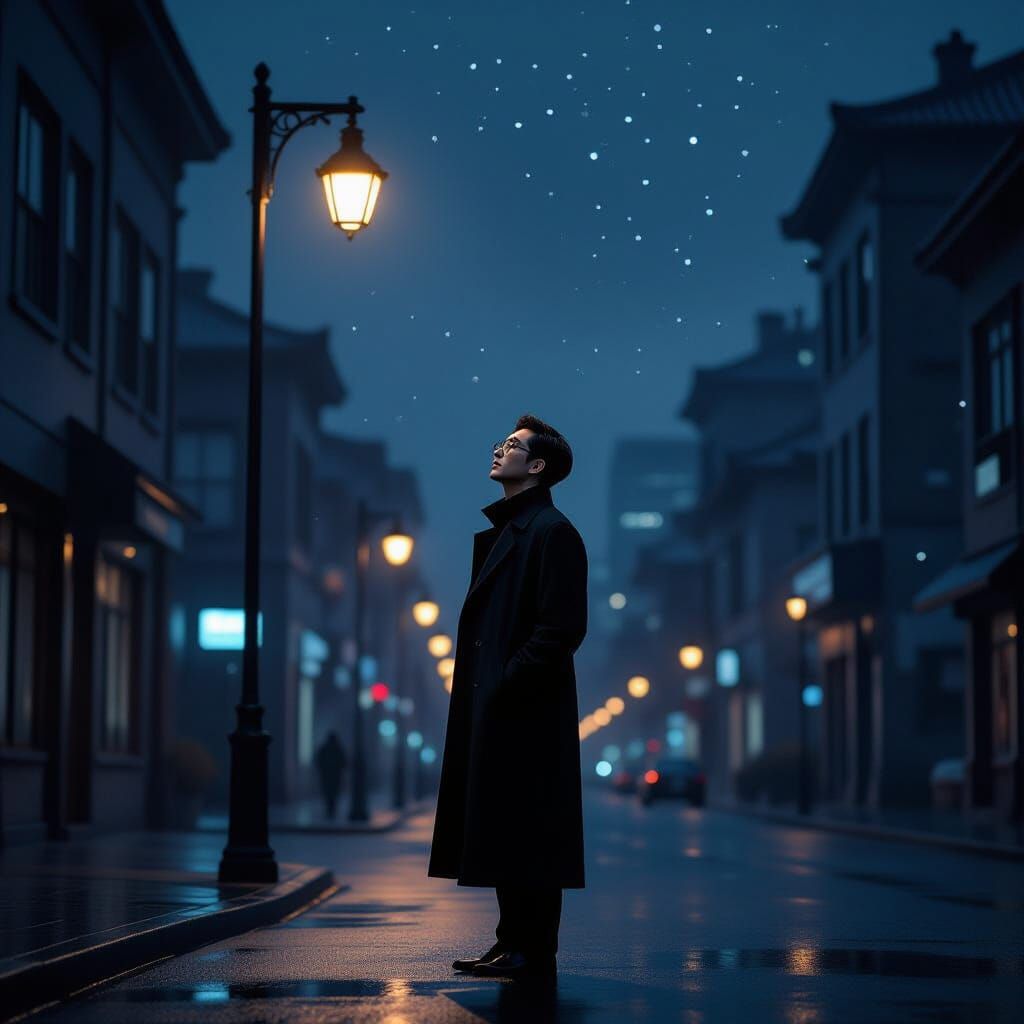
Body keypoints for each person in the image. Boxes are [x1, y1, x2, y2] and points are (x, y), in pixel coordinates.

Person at [428, 413, 588, 979]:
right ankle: (510, 941)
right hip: (502, 705)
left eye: (513, 445)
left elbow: (561, 628)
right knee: (503, 826)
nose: (499, 450)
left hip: (527, 710)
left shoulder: (552, 532)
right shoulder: (515, 531)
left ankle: (532, 950)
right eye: (502, 442)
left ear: (537, 465)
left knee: (530, 830)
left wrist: (505, 680)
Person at [315, 731, 347, 819]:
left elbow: (318, 761)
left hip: (327, 776)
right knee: (334, 793)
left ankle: (329, 809)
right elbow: (344, 762)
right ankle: (331, 809)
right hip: (335, 776)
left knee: (328, 793)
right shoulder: (338, 749)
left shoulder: (324, 749)